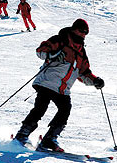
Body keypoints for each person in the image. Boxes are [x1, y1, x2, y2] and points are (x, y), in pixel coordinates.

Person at [13, 19, 104, 152]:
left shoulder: (81, 52)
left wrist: (95, 81)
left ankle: (49, 139)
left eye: (86, 33)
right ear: (74, 29)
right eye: (81, 31)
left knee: (65, 110)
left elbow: (84, 72)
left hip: (63, 89)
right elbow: (41, 51)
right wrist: (53, 54)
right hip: (47, 82)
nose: (83, 35)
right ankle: (22, 135)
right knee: (40, 108)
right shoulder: (60, 40)